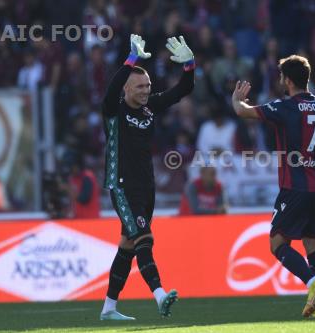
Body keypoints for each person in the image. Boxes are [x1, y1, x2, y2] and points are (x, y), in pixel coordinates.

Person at [231, 55, 315, 318]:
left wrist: (236, 98)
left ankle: (313, 284)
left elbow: (242, 111)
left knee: (277, 243)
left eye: (281, 77)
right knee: (314, 245)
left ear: (287, 80)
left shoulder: (285, 106)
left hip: (296, 186)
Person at [100, 34, 195, 320]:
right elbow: (110, 91)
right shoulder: (113, 111)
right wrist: (131, 60)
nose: (145, 90)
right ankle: (160, 295)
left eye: (148, 86)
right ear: (127, 88)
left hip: (146, 186)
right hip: (121, 185)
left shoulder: (149, 108)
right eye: (140, 86)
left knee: (128, 246)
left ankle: (108, 309)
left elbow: (182, 90)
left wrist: (190, 64)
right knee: (143, 237)